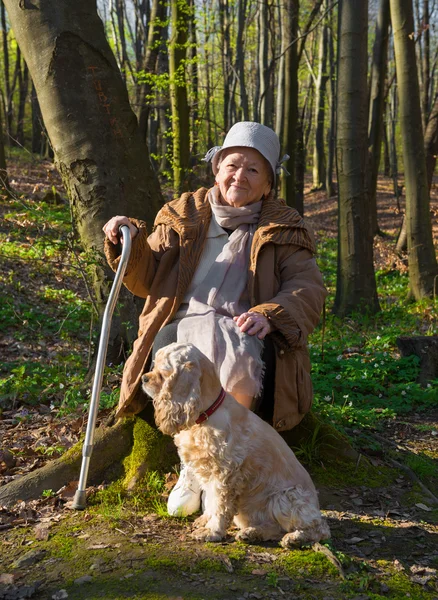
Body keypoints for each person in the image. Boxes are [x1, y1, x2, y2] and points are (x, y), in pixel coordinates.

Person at [103, 121, 327, 517]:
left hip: (245, 324)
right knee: (189, 353)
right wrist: (128, 240)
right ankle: (192, 466)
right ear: (217, 169)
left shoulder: (284, 226)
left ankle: (223, 463)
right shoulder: (182, 214)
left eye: (253, 169)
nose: (240, 176)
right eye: (232, 165)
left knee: (240, 358)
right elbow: (147, 275)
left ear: (268, 183)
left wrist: (271, 313)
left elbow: (307, 289)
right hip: (183, 321)